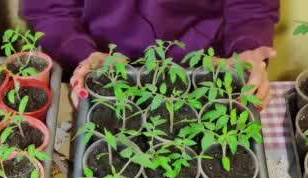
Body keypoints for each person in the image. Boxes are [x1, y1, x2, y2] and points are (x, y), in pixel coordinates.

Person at [22, 0, 279, 108]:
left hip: (206, 73)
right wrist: (82, 55)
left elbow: (250, 7)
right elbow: (52, 10)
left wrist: (247, 50)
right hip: (104, 72)